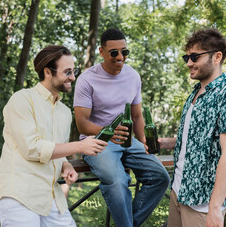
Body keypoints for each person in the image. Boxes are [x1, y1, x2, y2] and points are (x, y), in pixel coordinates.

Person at [0, 45, 107, 227]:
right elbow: (32, 148)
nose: (73, 77)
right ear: (47, 72)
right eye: (67, 72)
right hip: (18, 194)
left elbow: (57, 150)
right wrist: (80, 146)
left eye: (74, 71)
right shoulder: (22, 99)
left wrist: (66, 165)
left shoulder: (65, 112)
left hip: (51, 196)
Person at [73, 28, 170, 227]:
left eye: (124, 52)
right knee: (118, 180)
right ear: (101, 52)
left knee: (160, 176)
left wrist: (144, 141)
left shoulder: (133, 76)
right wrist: (110, 131)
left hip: (128, 141)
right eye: (114, 52)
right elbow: (82, 124)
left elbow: (136, 116)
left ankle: (128, 224)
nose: (120, 57)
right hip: (97, 142)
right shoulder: (86, 79)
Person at [159, 29, 226, 227]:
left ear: (217, 57)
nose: (189, 63)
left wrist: (215, 208)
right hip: (179, 191)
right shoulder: (195, 92)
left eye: (194, 57)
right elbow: (199, 139)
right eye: (187, 56)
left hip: (203, 204)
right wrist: (166, 143)